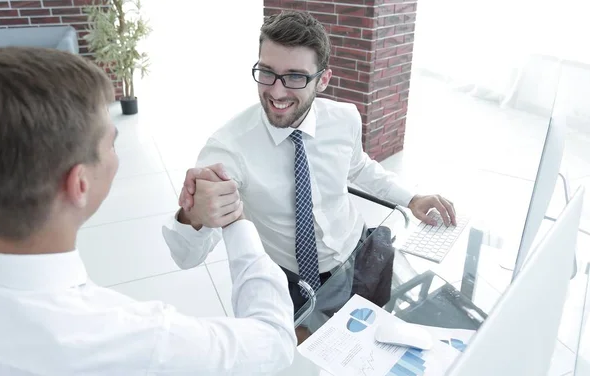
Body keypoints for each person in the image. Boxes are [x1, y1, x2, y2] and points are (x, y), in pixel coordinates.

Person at [0, 47, 296, 375]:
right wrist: (236, 219)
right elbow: (274, 342)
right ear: (79, 185)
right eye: (110, 144)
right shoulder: (137, 339)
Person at [162, 10, 457, 340]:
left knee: (377, 343)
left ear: (324, 79)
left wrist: (412, 198)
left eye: (295, 77)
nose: (276, 92)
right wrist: (194, 215)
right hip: (293, 283)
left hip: (360, 252)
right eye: (267, 73)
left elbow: (358, 167)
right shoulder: (228, 149)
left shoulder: (344, 118)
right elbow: (185, 257)